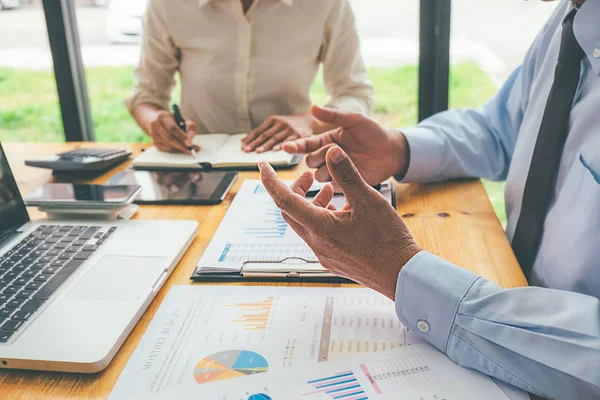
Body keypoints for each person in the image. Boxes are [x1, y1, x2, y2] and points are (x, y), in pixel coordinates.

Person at [258, 0, 600, 398]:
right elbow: (501, 128)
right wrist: (399, 149)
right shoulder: (573, 15)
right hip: (505, 291)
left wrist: (401, 271)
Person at [126, 0, 373, 155]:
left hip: (290, 161)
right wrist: (155, 122)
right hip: (199, 165)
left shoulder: (327, 4)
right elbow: (146, 96)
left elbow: (355, 96)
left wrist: (308, 121)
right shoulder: (167, 5)